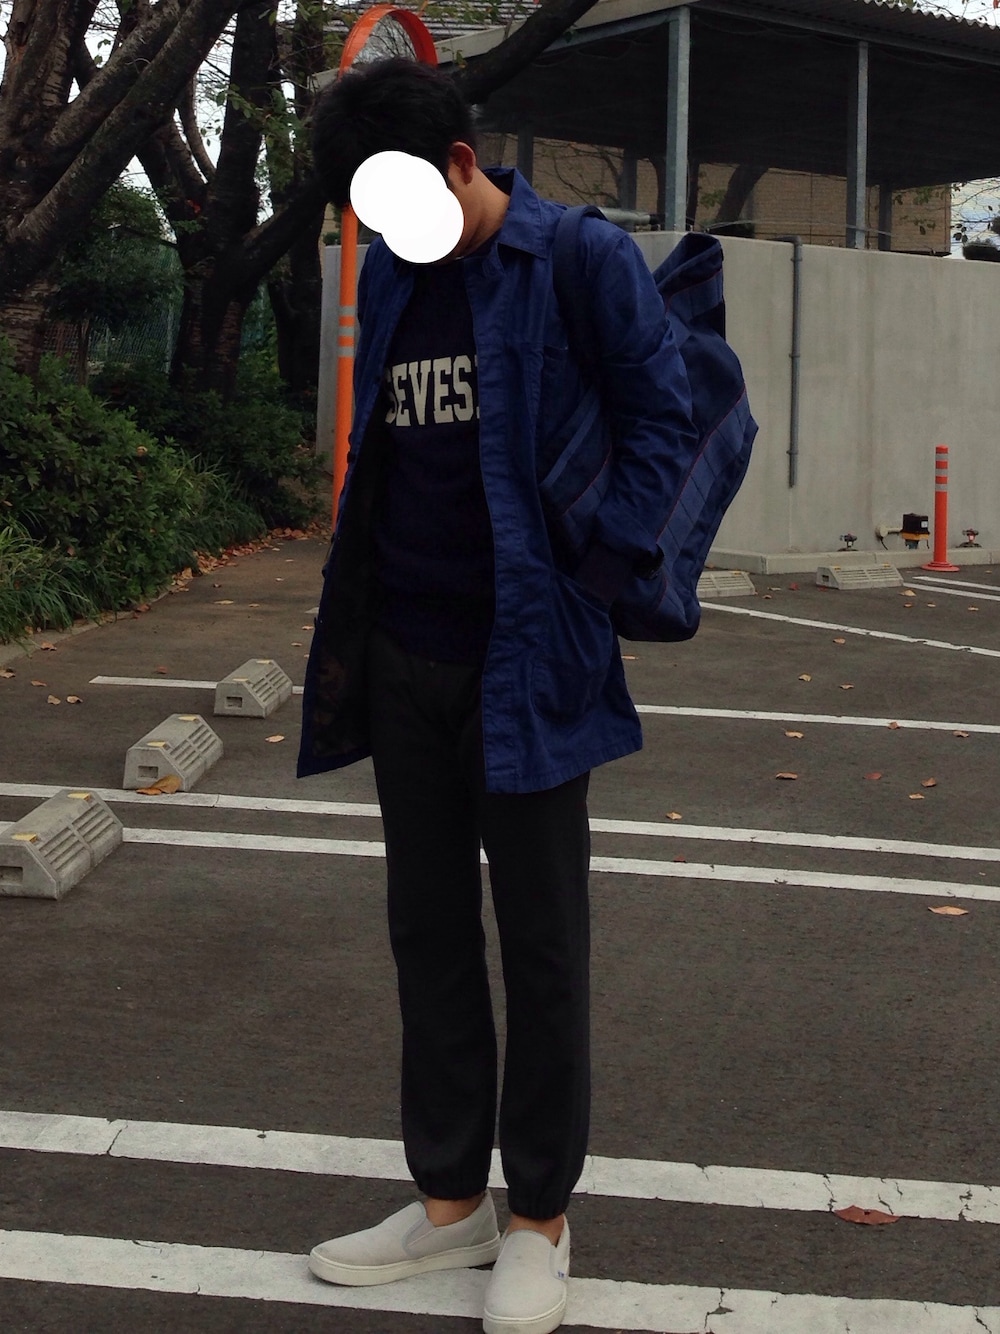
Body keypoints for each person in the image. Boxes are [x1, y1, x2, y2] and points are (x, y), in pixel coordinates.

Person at [297, 56, 696, 1334]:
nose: (389, 238)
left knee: (542, 944)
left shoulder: (577, 259)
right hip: (403, 652)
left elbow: (665, 420)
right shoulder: (395, 272)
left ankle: (539, 1220)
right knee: (425, 932)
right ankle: (450, 1200)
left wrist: (597, 576)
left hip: (528, 659)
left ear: (461, 163)